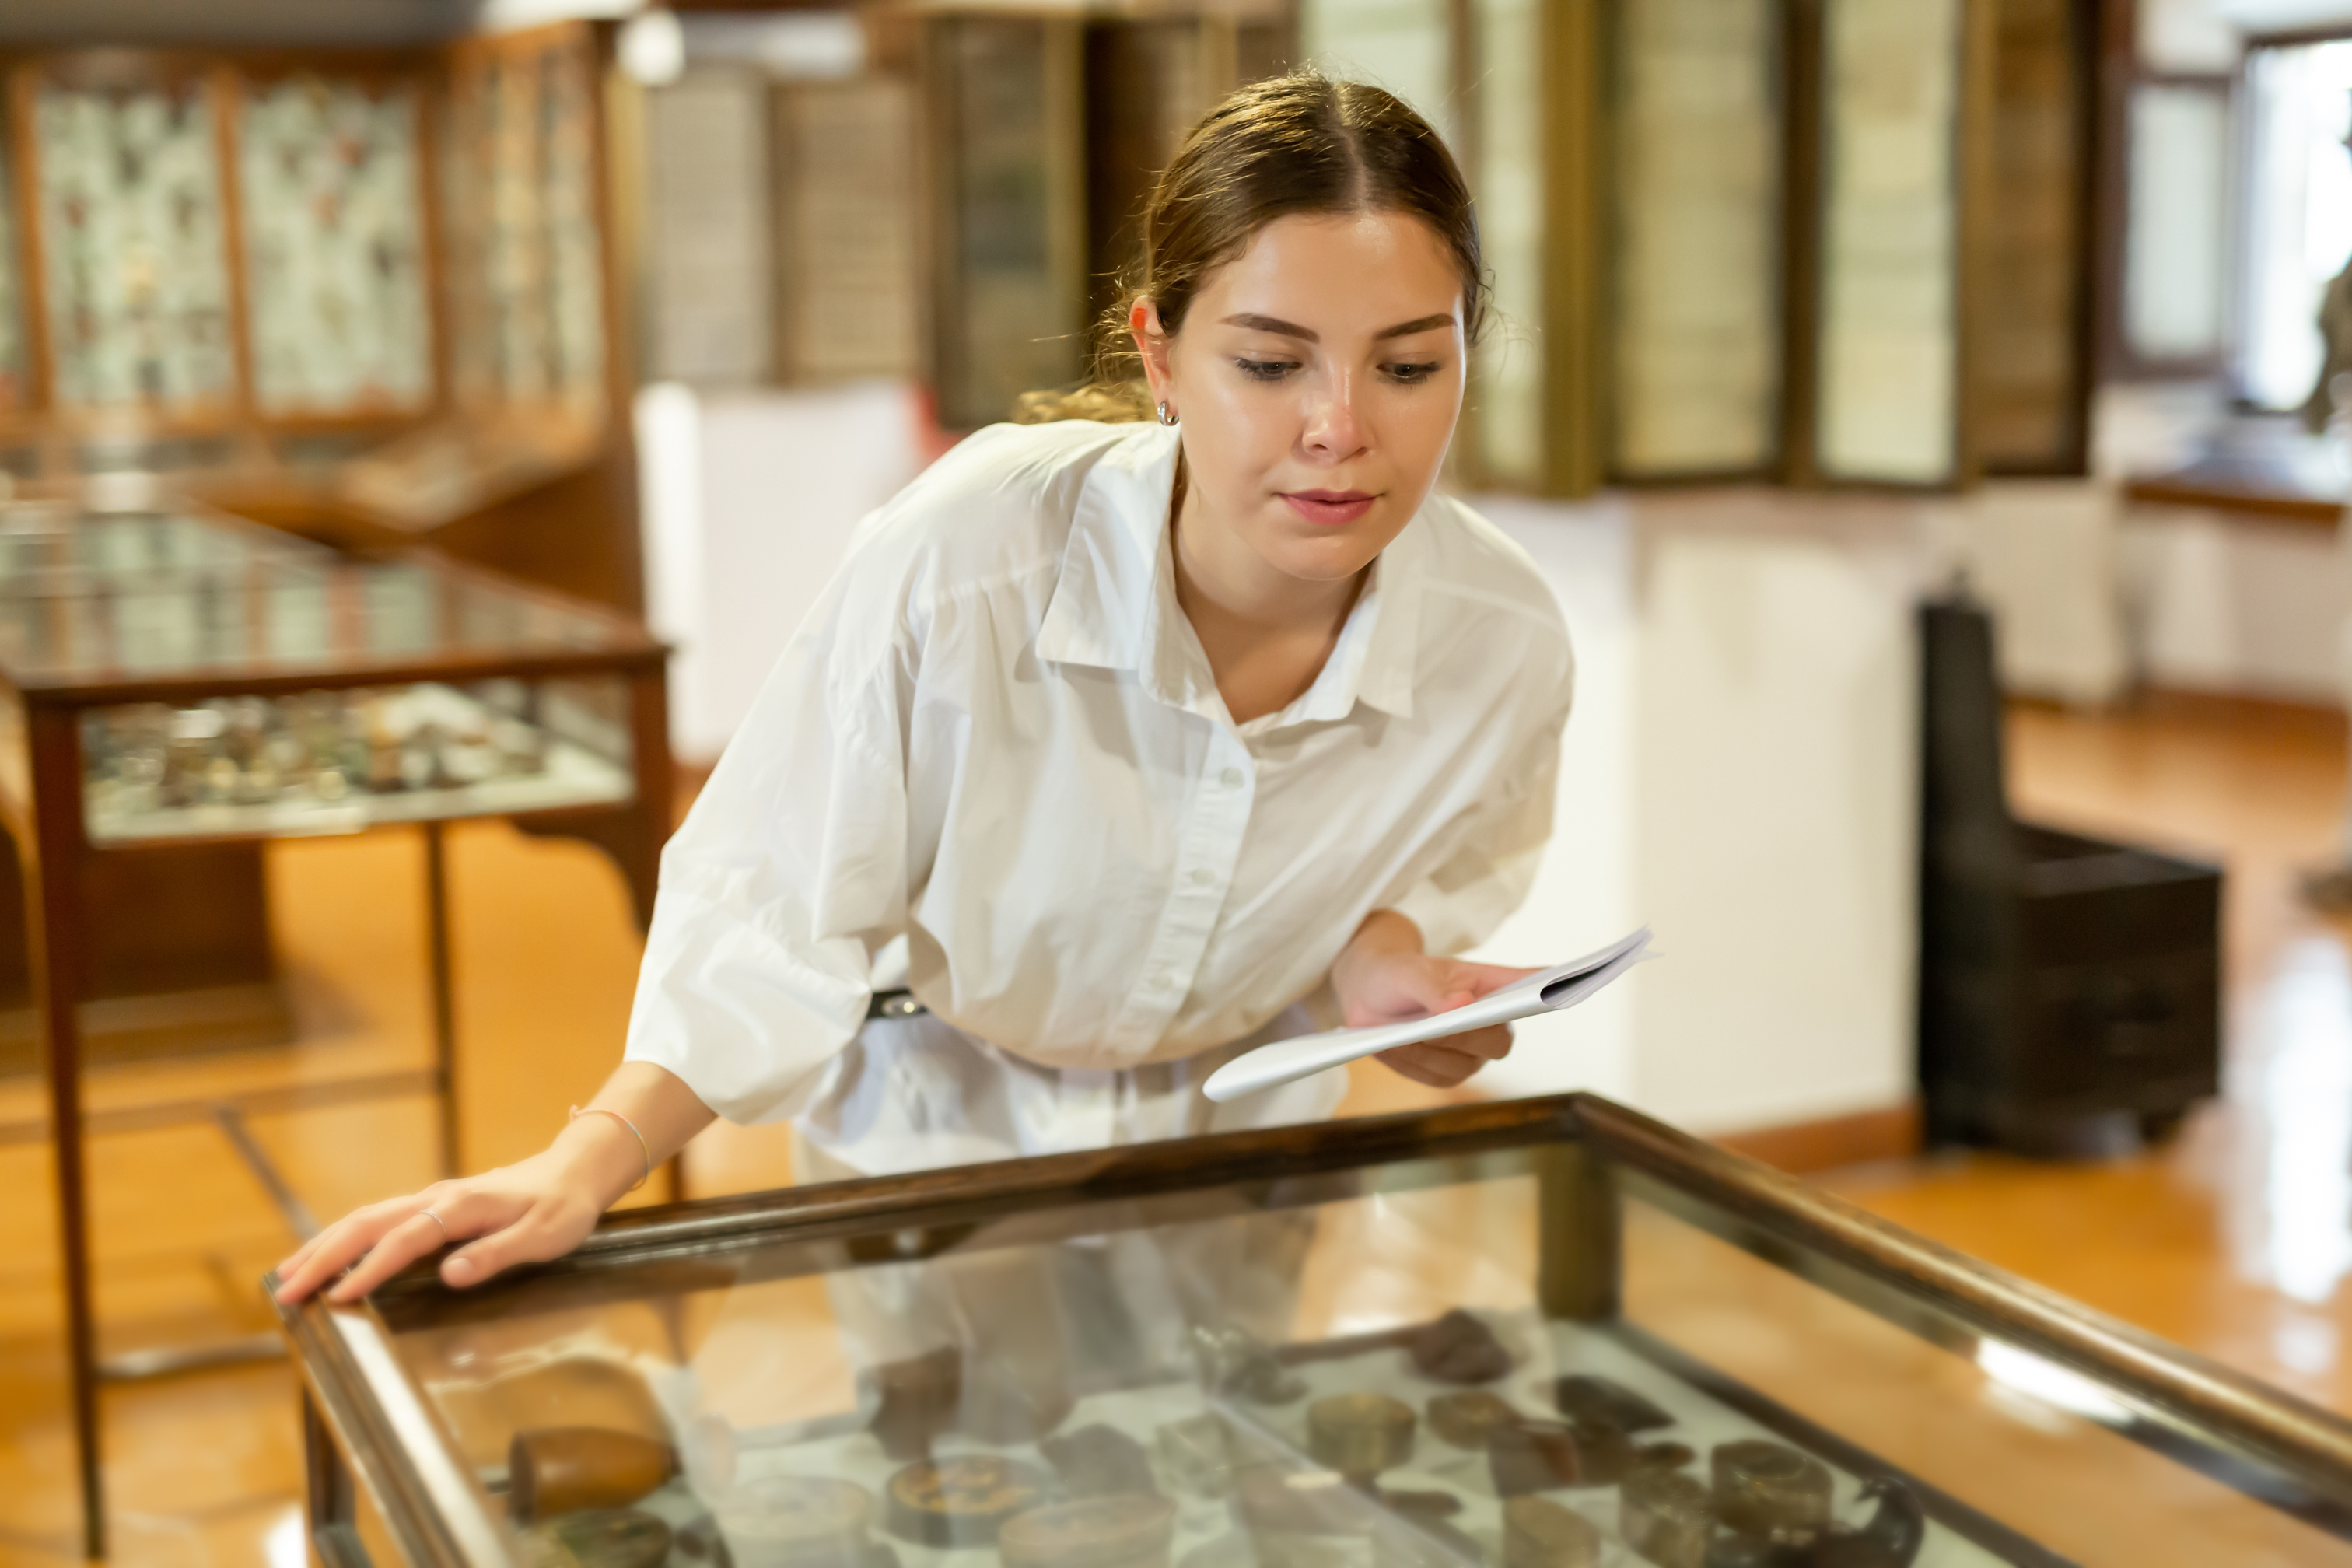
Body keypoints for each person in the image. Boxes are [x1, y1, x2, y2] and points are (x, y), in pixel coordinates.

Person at [274, 72, 1575, 1309]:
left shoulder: (1497, 638)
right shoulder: (973, 555)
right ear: (1163, 356)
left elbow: (1430, 868)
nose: (1341, 428)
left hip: (1238, 1147)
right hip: (931, 1130)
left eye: (1408, 368)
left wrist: (1380, 969)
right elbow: (776, 894)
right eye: (1270, 364)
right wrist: (583, 1166)